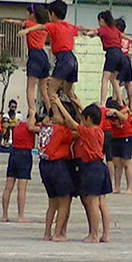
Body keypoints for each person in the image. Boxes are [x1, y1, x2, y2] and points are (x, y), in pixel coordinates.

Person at [53, 98, 111, 243]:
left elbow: (72, 123)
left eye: (84, 119)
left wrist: (58, 102)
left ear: (89, 119)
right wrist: (78, 104)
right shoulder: (99, 131)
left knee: (92, 203)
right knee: (100, 202)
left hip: (91, 168)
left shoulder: (88, 132)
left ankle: (94, 234)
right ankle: (103, 234)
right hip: (100, 166)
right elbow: (82, 119)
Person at [18, 0, 80, 116]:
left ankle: (55, 115)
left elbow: (41, 26)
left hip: (63, 58)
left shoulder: (53, 26)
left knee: (51, 91)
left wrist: (27, 30)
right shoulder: (68, 26)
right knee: (68, 91)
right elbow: (79, 28)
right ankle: (79, 113)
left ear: (52, 14)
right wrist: (92, 31)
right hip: (73, 59)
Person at [37, 103, 75, 242]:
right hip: (57, 165)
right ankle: (58, 233)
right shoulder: (61, 130)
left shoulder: (44, 127)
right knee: (65, 200)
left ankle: (47, 232)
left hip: (44, 165)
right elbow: (77, 133)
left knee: (52, 202)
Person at [3, 4, 50, 112]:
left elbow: (20, 23)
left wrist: (9, 21)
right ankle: (50, 112)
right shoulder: (44, 26)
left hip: (34, 55)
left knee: (30, 88)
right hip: (43, 55)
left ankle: (32, 112)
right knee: (43, 90)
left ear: (32, 15)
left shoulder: (29, 24)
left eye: (28, 13)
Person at [1, 110, 39, 223]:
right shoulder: (31, 127)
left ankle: (4, 214)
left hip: (14, 153)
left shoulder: (17, 126)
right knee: (21, 188)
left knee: (8, 186)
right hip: (25, 155)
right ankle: (20, 215)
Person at [83, 11, 126, 106]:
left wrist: (86, 34)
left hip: (111, 53)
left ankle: (102, 103)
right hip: (120, 54)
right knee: (113, 79)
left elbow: (95, 32)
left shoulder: (103, 29)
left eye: (99, 21)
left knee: (105, 79)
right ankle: (120, 101)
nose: (98, 23)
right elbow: (123, 35)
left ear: (102, 20)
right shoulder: (114, 29)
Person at [106, 100, 132, 194]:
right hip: (115, 138)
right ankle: (117, 187)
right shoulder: (108, 114)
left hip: (126, 137)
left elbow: (124, 118)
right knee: (117, 164)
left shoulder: (123, 110)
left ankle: (129, 187)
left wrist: (117, 112)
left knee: (126, 164)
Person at [114, 18, 132, 107]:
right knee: (128, 83)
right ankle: (131, 104)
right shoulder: (126, 38)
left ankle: (115, 100)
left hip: (120, 59)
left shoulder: (117, 36)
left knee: (114, 80)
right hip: (127, 59)